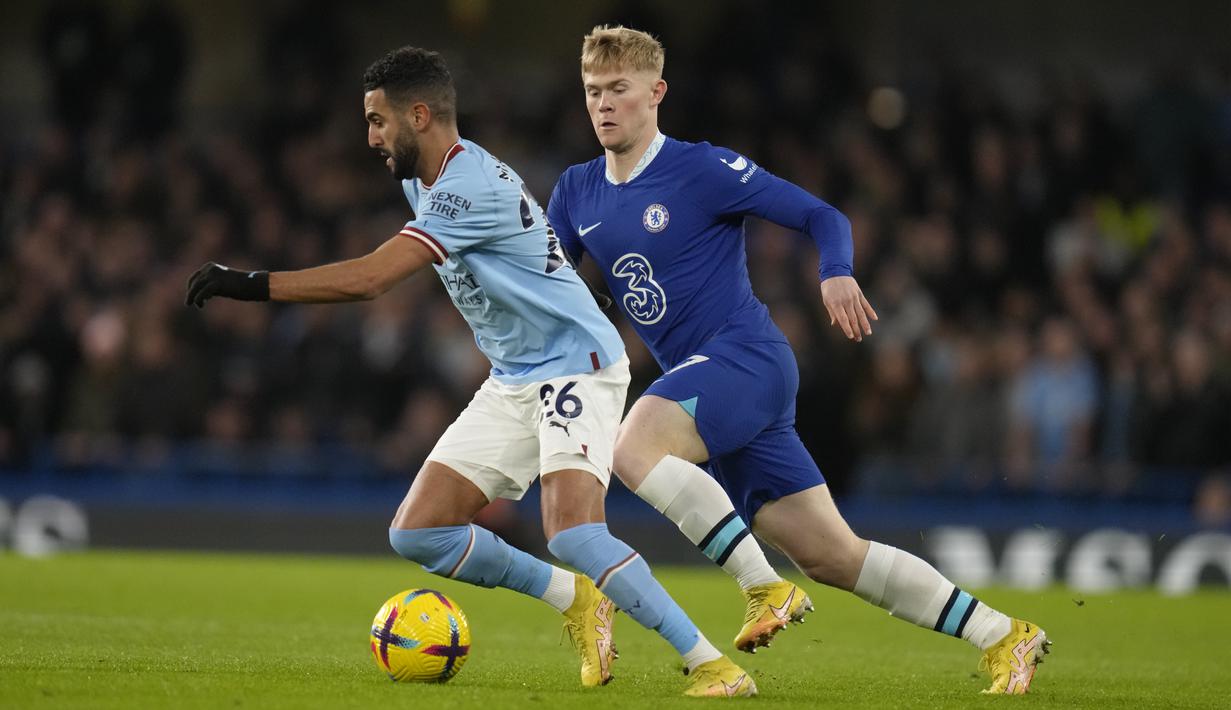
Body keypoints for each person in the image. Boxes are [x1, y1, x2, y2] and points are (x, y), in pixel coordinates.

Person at [185, 45, 755, 697]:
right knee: (419, 532)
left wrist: (252, 284)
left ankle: (711, 663)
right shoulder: (423, 180)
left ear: (419, 115)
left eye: (378, 121)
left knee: (572, 531)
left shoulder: (466, 184)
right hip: (515, 375)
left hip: (576, 365)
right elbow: (530, 242)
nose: (370, 136)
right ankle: (573, 598)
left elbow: (372, 279)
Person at [546, 26, 1050, 695]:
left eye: (618, 90)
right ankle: (1002, 635)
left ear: (655, 93)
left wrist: (835, 271)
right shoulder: (576, 191)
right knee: (832, 556)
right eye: (592, 92)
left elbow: (822, 215)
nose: (603, 104)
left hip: (743, 360)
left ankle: (762, 588)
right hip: (707, 390)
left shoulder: (700, 169)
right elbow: (545, 284)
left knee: (633, 446)